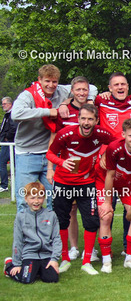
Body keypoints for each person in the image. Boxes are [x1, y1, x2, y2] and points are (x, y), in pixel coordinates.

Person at [12, 64, 97, 212]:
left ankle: (51, 227)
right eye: (47, 81)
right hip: (27, 152)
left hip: (52, 153)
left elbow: (92, 88)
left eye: (54, 81)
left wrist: (84, 101)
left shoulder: (61, 91)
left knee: (56, 200)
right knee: (25, 200)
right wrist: (48, 111)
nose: (51, 85)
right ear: (39, 80)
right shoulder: (28, 95)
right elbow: (16, 114)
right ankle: (26, 227)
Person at [46, 104, 116, 274]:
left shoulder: (102, 133)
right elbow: (50, 153)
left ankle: (87, 262)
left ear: (96, 121)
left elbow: (116, 143)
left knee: (91, 222)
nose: (86, 122)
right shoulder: (66, 134)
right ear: (78, 119)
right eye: (83, 118)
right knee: (62, 221)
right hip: (63, 183)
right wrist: (62, 162)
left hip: (86, 183)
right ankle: (64, 259)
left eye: (90, 119)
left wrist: (105, 154)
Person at [95, 118, 131, 269]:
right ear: (123, 134)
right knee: (106, 215)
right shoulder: (114, 148)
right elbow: (110, 175)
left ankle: (130, 258)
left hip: (127, 183)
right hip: (105, 181)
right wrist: (107, 202)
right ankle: (106, 261)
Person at [4, 182, 61, 283]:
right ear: (26, 199)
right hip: (29, 255)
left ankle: (37, 270)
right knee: (26, 279)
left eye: (39, 197)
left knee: (52, 279)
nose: (36, 201)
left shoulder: (51, 215)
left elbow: (56, 238)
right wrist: (17, 264)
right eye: (32, 198)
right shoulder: (21, 216)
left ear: (44, 198)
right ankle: (9, 265)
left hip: (46, 255)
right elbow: (18, 240)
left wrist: (54, 259)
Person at [0, 96, 16, 192]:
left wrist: (7, 137)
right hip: (5, 142)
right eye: (2, 104)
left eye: (5, 104)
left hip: (9, 143)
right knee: (14, 163)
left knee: (2, 162)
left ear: (10, 104)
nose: (3, 105)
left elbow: (14, 128)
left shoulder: (12, 114)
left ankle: (4, 185)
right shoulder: (7, 115)